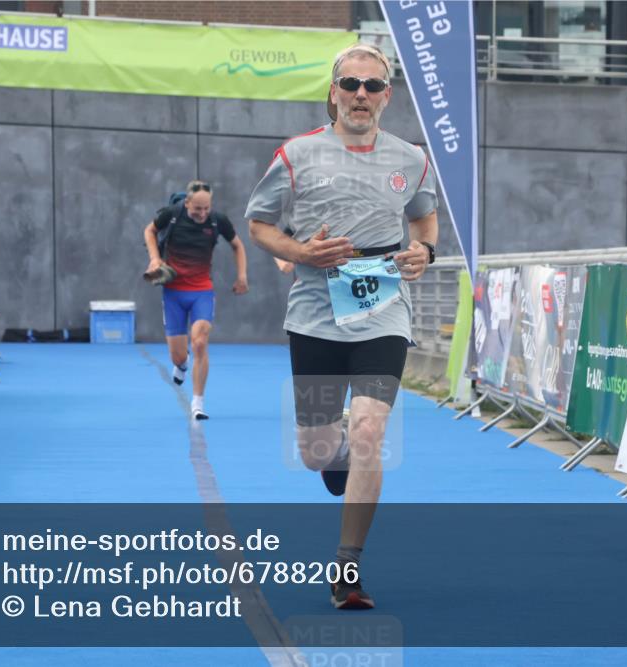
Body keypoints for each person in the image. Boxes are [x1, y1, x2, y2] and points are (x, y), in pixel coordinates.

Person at [245, 43, 438, 610]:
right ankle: (341, 442)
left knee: (371, 433)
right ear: (333, 92)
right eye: (350, 84)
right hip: (315, 312)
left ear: (386, 96)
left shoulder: (410, 158)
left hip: (383, 306)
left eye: (371, 86)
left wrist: (424, 250)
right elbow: (259, 225)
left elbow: (424, 219)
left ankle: (347, 569)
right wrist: (301, 252)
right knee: (317, 453)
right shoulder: (296, 154)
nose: (360, 94)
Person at [143, 180, 248, 420]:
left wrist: (242, 276)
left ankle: (198, 403)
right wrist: (155, 258)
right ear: (187, 203)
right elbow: (149, 231)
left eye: (206, 208)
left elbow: (238, 245)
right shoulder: (171, 215)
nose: (202, 214)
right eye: (197, 208)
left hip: (202, 291)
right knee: (178, 356)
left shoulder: (217, 221)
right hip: (173, 292)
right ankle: (182, 364)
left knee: (200, 341)